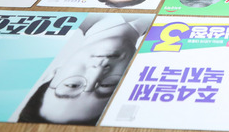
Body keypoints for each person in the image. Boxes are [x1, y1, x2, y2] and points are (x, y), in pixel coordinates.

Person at [17, 14, 151, 125]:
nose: (98, 70)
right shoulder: (157, 32)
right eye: (107, 85)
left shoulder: (69, 13)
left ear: (54, 74)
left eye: (73, 85)